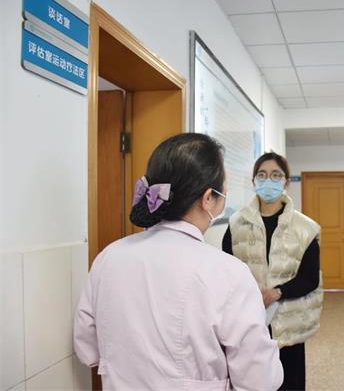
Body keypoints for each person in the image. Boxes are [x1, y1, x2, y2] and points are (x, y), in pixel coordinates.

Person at [74, 133, 283, 390]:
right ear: (208, 198)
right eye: (224, 190)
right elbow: (260, 380)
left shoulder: (109, 257)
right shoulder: (229, 273)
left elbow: (87, 349)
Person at [222, 152, 322, 391]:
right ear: (254, 181)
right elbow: (226, 271)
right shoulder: (236, 224)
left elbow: (310, 278)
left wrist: (276, 292)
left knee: (290, 383)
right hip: (249, 322)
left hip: (289, 323)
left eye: (276, 175)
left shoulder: (305, 228)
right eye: (262, 175)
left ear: (286, 182)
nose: (268, 181)